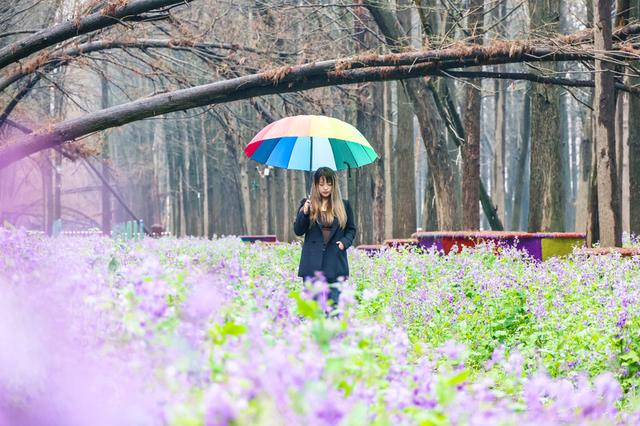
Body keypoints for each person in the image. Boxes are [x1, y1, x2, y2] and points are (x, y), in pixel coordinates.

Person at [294, 167, 356, 310]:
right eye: (321, 184)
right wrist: (304, 213)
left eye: (329, 183)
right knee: (313, 310)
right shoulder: (308, 204)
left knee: (335, 310)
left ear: (334, 185)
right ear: (316, 185)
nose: (325, 188)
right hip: (312, 265)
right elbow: (298, 230)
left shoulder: (344, 206)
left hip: (335, 263)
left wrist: (344, 243)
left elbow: (351, 229)